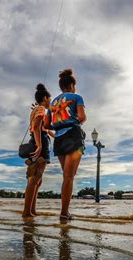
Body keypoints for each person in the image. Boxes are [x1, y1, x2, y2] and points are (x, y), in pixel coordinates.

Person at [44, 69, 86, 220]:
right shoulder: (76, 97)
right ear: (72, 85)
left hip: (59, 139)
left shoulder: (53, 103)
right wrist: (71, 121)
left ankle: (64, 211)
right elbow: (82, 118)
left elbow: (46, 124)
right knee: (69, 177)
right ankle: (64, 212)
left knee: (67, 176)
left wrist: (59, 124)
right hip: (73, 136)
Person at [23, 83, 53, 217]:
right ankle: (27, 212)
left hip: (38, 139)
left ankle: (32, 210)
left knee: (37, 180)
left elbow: (42, 127)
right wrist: (40, 145)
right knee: (35, 178)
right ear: (45, 98)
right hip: (40, 141)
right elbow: (36, 127)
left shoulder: (35, 109)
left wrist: (54, 135)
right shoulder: (41, 108)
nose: (50, 102)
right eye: (50, 99)